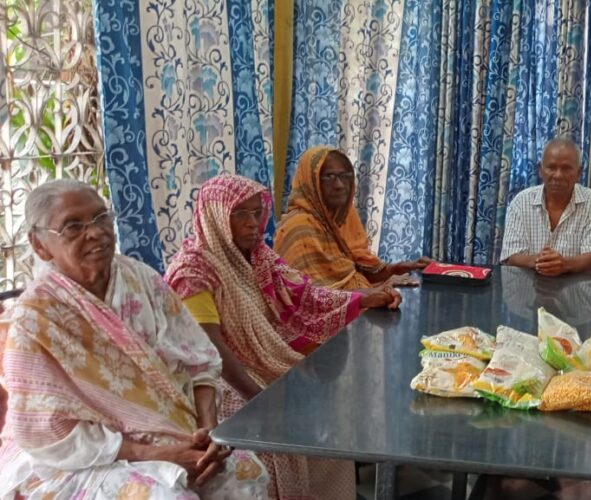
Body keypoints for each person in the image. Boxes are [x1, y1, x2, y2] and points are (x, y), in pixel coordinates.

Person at [0, 179, 269, 498]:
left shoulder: (139, 279)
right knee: (167, 496)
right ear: (40, 245)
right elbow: (46, 431)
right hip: (87, 457)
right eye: (73, 226)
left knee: (245, 471)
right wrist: (163, 455)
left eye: (102, 218)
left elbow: (202, 362)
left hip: (176, 432)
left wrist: (208, 431)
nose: (96, 232)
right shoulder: (36, 317)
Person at [164, 174, 401, 499]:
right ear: (216, 215)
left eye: (256, 212)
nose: (253, 224)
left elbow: (308, 297)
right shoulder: (193, 274)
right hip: (221, 385)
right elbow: (212, 353)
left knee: (332, 433)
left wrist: (365, 298)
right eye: (240, 214)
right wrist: (262, 401)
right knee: (280, 444)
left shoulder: (259, 258)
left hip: (266, 370)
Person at [275, 146, 431, 289]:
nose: (339, 185)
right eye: (329, 176)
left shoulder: (344, 216)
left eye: (344, 176)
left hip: (358, 308)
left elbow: (360, 270)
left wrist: (399, 268)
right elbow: (307, 297)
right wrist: (365, 296)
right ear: (312, 181)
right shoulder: (298, 227)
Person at [501, 138, 591, 276]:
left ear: (579, 173)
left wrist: (564, 264)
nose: (558, 175)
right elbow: (511, 255)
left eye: (566, 168)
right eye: (551, 167)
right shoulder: (521, 202)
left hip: (577, 292)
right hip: (527, 291)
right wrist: (540, 261)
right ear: (540, 170)